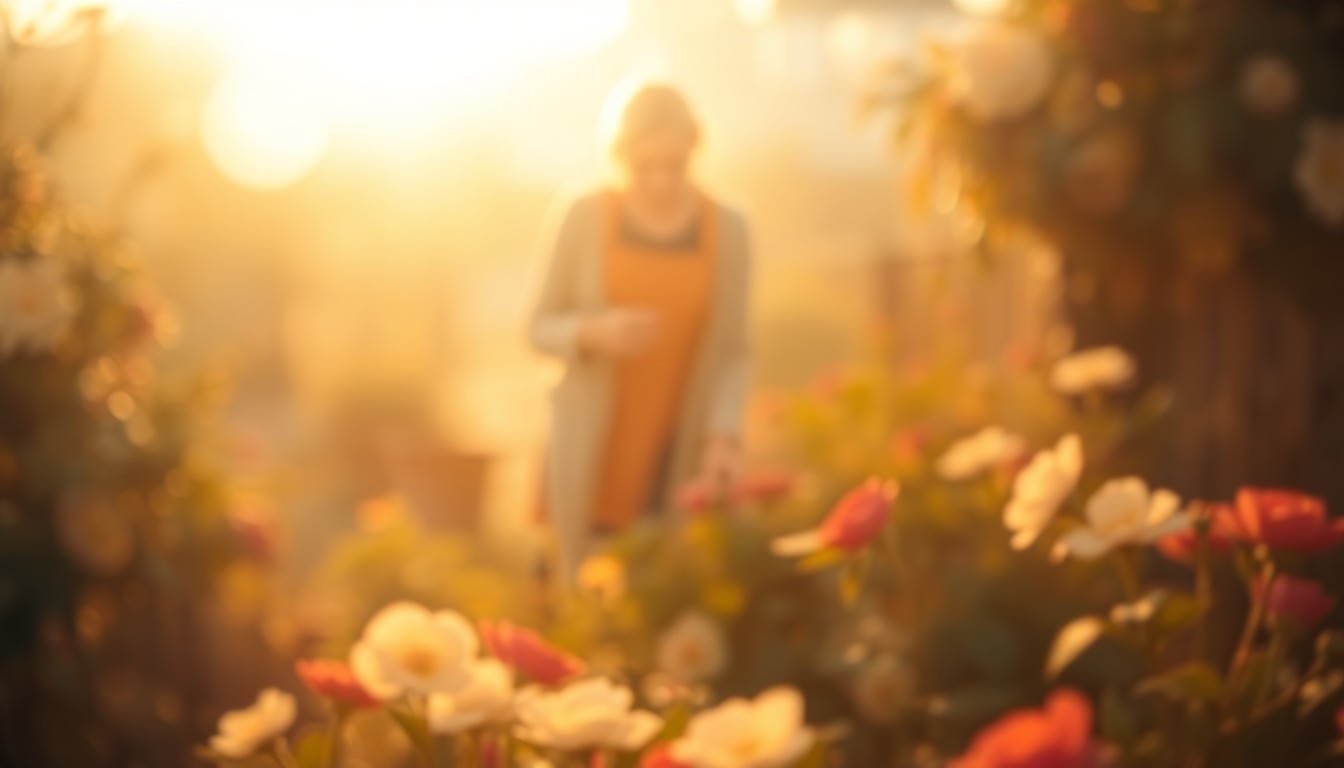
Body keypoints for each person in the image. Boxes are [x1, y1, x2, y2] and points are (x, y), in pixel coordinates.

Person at [529, 82, 753, 581]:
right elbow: (536, 327)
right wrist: (593, 331)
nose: (658, 181)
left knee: (658, 601)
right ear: (619, 156)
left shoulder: (730, 228)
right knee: (576, 606)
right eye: (643, 167)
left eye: (673, 166)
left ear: (694, 151)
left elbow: (735, 352)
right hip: (587, 452)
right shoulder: (583, 214)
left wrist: (724, 435)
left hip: (676, 451)